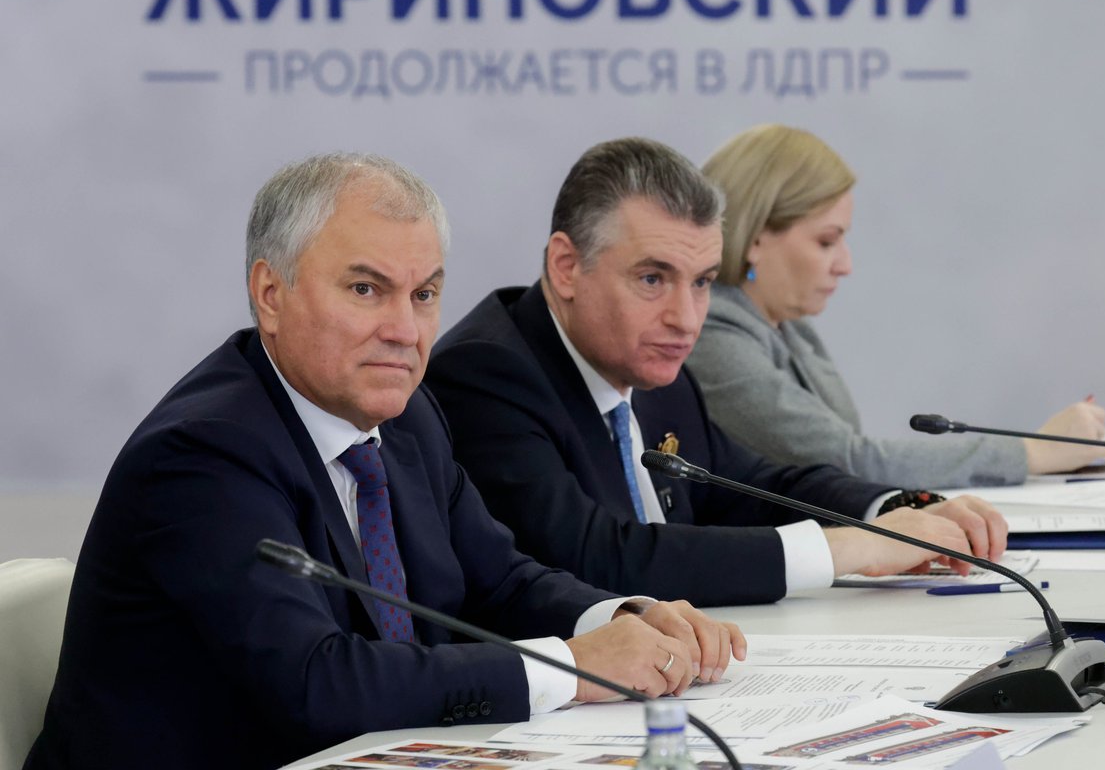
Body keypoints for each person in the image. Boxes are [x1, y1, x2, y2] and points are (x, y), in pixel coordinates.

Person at [25, 154, 744, 770]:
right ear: (271, 295)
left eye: (424, 294)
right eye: (366, 290)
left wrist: (620, 616)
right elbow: (319, 683)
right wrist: (575, 667)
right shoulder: (203, 455)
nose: (404, 330)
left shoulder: (405, 417)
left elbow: (497, 580)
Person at [426, 137, 1007, 609]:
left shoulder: (655, 368)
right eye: (652, 279)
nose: (685, 318)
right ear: (566, 266)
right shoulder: (487, 375)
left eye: (702, 282)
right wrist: (847, 550)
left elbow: (758, 486)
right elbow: (595, 559)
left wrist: (895, 510)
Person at [687, 123, 1105, 489]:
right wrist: (1030, 453)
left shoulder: (786, 321)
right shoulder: (713, 332)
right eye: (826, 241)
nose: (845, 265)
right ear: (756, 238)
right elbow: (847, 462)